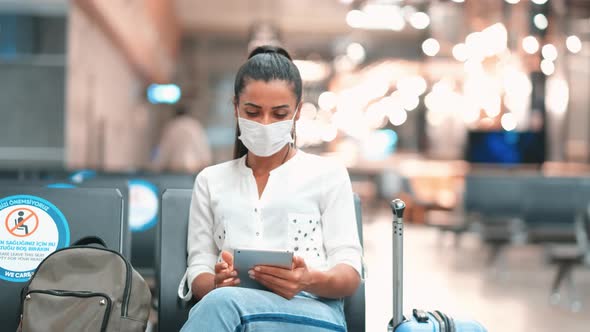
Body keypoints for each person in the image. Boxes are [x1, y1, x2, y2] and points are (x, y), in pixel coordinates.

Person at [178, 45, 362, 331]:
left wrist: (308, 279)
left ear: (298, 112)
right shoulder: (210, 181)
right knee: (221, 302)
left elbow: (350, 273)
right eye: (253, 112)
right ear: (236, 107)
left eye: (279, 114)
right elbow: (199, 265)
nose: (265, 124)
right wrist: (216, 283)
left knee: (221, 305)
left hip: (312, 313)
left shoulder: (328, 175)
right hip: (229, 313)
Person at [152, 105, 212, 173]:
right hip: (193, 168)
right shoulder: (195, 125)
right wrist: (206, 162)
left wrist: (157, 166)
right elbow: (201, 147)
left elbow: (164, 149)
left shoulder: (172, 126)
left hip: (174, 169)